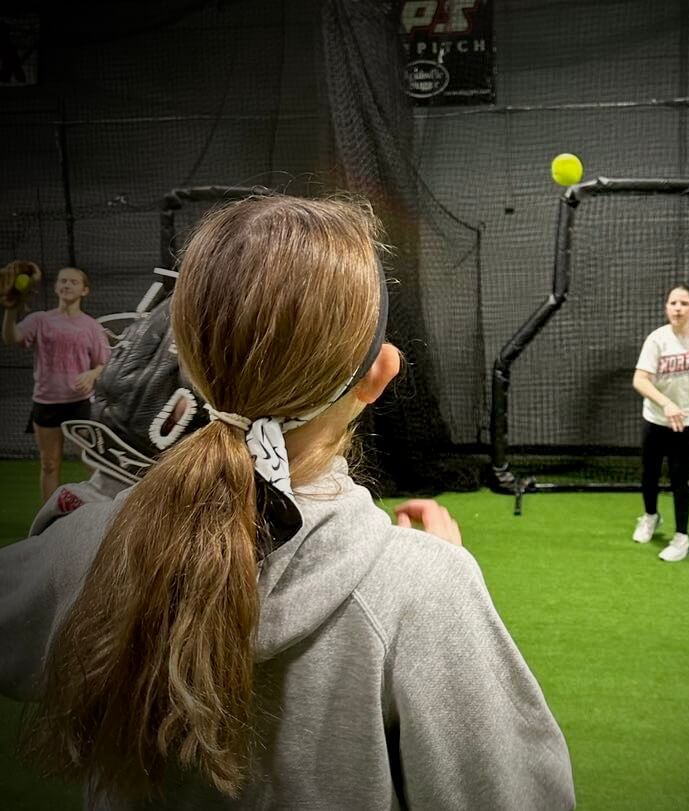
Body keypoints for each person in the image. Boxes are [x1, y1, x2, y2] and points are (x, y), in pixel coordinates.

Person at [0, 194, 575, 809]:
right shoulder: (423, 589)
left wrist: (103, 498)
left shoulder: (95, 547)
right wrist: (431, 572)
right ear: (381, 373)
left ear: (186, 362)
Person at [2, 264, 111, 503]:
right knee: (49, 464)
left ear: (85, 290)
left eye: (73, 282)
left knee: (93, 462)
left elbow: (105, 365)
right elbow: (11, 337)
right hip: (46, 403)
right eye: (63, 281)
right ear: (55, 287)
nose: (67, 285)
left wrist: (92, 374)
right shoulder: (40, 320)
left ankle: (98, 515)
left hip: (80, 404)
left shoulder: (91, 326)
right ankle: (48, 521)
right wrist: (11, 310)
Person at [631, 283, 689, 562]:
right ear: (666, 308)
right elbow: (639, 380)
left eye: (683, 303)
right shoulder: (657, 340)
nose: (677, 308)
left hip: (686, 422)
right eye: (672, 303)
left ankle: (681, 537)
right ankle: (650, 516)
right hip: (655, 419)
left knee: (680, 479)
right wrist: (666, 404)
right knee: (650, 474)